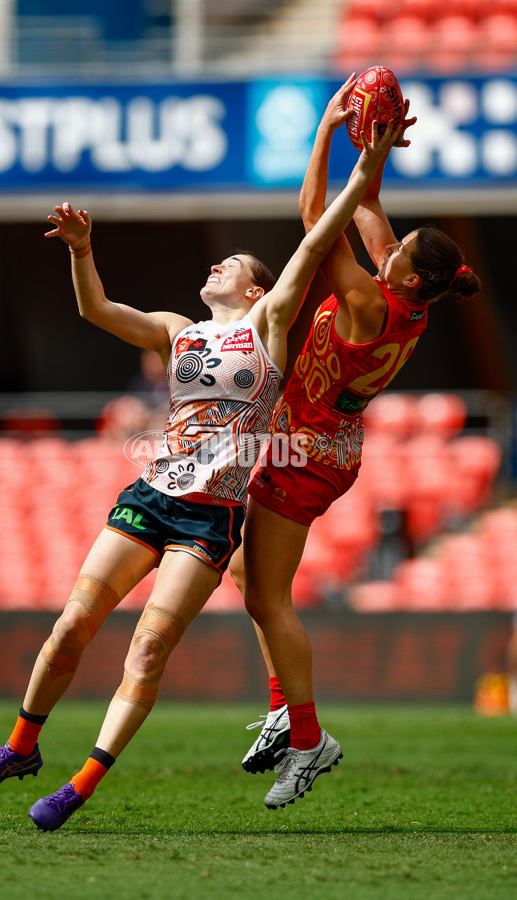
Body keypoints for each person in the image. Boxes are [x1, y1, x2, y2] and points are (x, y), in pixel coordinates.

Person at [0, 110, 400, 832]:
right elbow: (97, 310)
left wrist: (361, 172)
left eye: (233, 266)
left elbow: (318, 238)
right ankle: (20, 747)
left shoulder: (268, 327)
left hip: (209, 517)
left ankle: (79, 786)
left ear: (259, 293)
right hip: (151, 495)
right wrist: (81, 249)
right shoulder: (176, 329)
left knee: (149, 645)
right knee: (72, 626)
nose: (217, 265)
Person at [231, 75, 482, 810]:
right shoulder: (406, 295)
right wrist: (374, 151)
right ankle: (286, 712)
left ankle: (307, 740)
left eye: (398, 246)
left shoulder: (372, 300)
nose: (388, 241)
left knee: (268, 597)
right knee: (248, 578)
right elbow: (364, 205)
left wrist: (323, 132)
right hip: (321, 443)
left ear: (411, 271)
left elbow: (320, 215)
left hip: (308, 451)